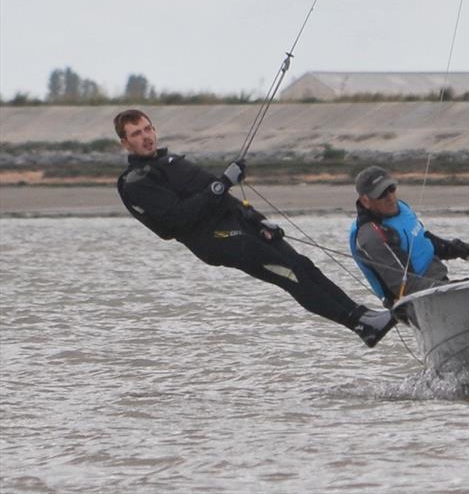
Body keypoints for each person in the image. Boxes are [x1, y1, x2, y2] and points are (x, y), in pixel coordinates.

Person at [113, 109, 395, 347]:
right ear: (125, 143)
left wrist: (258, 220)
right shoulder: (137, 181)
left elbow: (224, 198)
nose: (146, 136)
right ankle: (359, 325)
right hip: (216, 240)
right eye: (136, 133)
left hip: (237, 224)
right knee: (290, 275)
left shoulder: (171, 161)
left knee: (301, 265)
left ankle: (363, 315)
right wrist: (222, 182)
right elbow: (177, 219)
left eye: (148, 129)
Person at [349, 165, 469, 308]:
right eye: (381, 194)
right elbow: (406, 286)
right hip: (415, 302)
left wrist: (456, 248)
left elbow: (422, 241)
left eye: (391, 189)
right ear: (365, 201)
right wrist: (460, 286)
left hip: (438, 283)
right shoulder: (371, 237)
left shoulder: (401, 207)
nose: (390, 198)